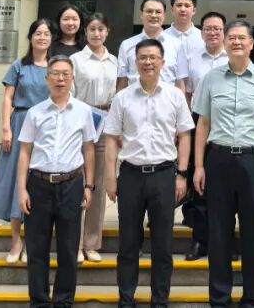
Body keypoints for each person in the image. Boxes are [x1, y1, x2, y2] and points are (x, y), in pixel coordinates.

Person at [193, 18, 254, 308]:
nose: (236, 42)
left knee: (252, 232)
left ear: (251, 43)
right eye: (231, 37)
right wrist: (198, 166)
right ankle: (219, 297)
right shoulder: (211, 78)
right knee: (219, 231)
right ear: (224, 42)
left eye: (242, 38)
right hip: (218, 160)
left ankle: (253, 298)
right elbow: (203, 124)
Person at [103, 38, 194, 308]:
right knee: (128, 243)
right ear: (135, 62)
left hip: (164, 175)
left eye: (153, 57)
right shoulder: (122, 97)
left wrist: (182, 174)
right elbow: (111, 138)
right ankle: (126, 299)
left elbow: (184, 135)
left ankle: (160, 300)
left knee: (163, 244)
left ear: (162, 62)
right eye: (143, 57)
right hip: (130, 175)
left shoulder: (175, 96)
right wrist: (110, 177)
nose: (148, 62)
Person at [16, 55, 97, 308]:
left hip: (71, 184)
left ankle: (63, 301)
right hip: (38, 185)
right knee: (36, 250)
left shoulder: (84, 111)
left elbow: (89, 149)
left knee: (69, 249)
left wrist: (89, 185)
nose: (60, 79)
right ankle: (39, 301)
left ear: (72, 78)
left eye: (65, 74)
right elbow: (25, 152)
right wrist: (21, 189)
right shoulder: (35, 112)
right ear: (47, 78)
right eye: (55, 74)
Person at [0, 17, 53, 264]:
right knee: (17, 180)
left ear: (51, 39)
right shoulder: (19, 66)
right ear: (30, 37)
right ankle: (16, 240)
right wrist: (6, 128)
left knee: (41, 181)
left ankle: (35, 241)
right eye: (38, 33)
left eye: (46, 34)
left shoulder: (55, 66)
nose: (42, 37)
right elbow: (7, 98)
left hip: (47, 127)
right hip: (20, 122)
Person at [70, 11, 118, 262]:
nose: (96, 33)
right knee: (77, 184)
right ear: (85, 32)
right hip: (80, 123)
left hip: (105, 125)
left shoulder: (115, 62)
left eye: (101, 29)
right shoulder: (75, 60)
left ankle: (91, 243)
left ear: (107, 32)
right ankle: (74, 244)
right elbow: (70, 94)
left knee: (98, 186)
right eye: (92, 29)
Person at [180, 10, 228, 261]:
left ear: (224, 32)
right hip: (198, 120)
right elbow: (186, 93)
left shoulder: (233, 56)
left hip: (227, 122)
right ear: (202, 32)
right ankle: (199, 240)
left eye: (217, 28)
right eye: (208, 28)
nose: (212, 33)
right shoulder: (191, 57)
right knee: (199, 183)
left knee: (226, 185)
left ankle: (225, 242)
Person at [115, 0, 186, 92]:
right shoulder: (127, 45)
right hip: (135, 99)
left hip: (167, 100)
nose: (153, 15)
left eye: (158, 12)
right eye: (149, 11)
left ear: (164, 15)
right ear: (141, 14)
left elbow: (180, 83)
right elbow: (122, 82)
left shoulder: (177, 45)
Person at [165, 0, 205, 64]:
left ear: (194, 10)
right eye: (179, 5)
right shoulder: (162, 38)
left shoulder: (203, 38)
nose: (183, 9)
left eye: (187, 5)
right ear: (172, 10)